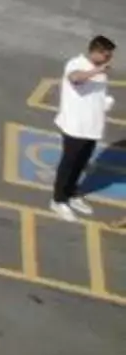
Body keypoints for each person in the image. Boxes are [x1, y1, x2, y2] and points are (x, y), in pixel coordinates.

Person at [49, 34, 113, 219]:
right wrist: (97, 71)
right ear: (95, 51)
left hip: (91, 127)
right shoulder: (76, 63)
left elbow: (93, 94)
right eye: (106, 55)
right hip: (74, 126)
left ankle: (71, 192)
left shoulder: (99, 70)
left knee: (81, 162)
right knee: (68, 164)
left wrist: (104, 102)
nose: (108, 59)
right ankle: (58, 200)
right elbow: (75, 78)